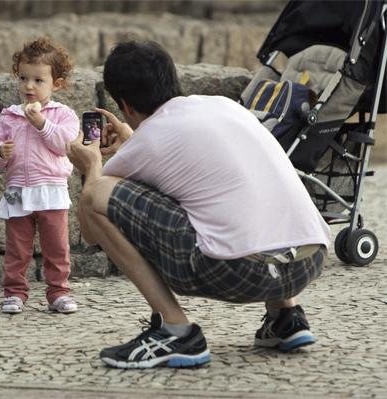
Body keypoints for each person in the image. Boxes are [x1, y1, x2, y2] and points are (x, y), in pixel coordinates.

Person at [65, 40, 330, 369]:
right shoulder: (224, 106)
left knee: (94, 196)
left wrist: (91, 166)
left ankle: (176, 331)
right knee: (236, 187)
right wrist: (134, 139)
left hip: (242, 272)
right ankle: (285, 316)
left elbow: (92, 229)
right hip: (310, 259)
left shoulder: (150, 140)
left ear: (125, 105)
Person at [0, 37, 80, 314]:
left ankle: (59, 292)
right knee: (17, 248)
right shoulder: (9, 116)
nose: (29, 86)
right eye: (24, 78)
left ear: (56, 84)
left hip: (51, 190)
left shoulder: (63, 115)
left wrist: (41, 123)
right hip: (17, 189)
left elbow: (65, 145)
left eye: (38, 80)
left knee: (57, 248)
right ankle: (14, 292)